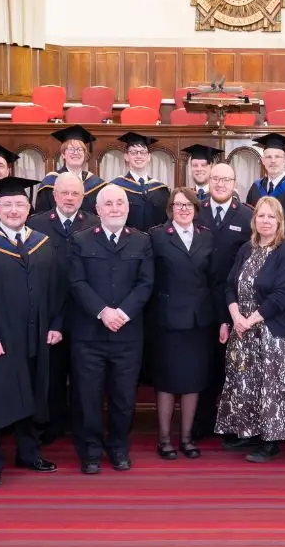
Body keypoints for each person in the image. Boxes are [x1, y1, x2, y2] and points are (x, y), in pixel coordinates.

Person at [0, 176, 64, 488]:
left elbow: (57, 290)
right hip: (0, 338)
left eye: (20, 204)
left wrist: (56, 324)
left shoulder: (42, 244)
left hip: (36, 336)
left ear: (29, 207)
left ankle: (28, 453)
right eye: (7, 204)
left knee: (32, 393)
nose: (14, 209)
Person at [68, 184, 154, 474]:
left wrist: (124, 313)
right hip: (89, 335)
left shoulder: (141, 241)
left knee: (123, 397)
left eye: (120, 203)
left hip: (127, 335)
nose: (115, 208)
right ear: (98, 210)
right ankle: (90, 451)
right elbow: (77, 282)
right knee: (87, 397)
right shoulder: (80, 240)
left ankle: (118, 448)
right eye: (109, 204)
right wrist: (103, 312)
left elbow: (146, 283)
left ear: (128, 208)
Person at [217, 196, 285, 462]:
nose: (265, 221)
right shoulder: (247, 248)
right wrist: (235, 316)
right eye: (260, 216)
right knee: (246, 383)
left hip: (271, 330)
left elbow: (283, 295)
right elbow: (230, 285)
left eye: (270, 216)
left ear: (279, 221)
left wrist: (250, 319)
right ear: (254, 220)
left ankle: (271, 441)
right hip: (243, 329)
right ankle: (250, 432)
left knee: (271, 385)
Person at [28, 172, 99, 445]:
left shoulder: (93, 223)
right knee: (52, 372)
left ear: (83, 197)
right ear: (54, 195)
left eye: (75, 194)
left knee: (84, 373)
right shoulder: (36, 224)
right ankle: (51, 424)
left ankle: (82, 427)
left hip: (85, 311)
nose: (70, 198)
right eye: (64, 193)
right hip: (48, 309)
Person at [148, 188, 216, 460]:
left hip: (199, 321)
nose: (183, 209)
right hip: (167, 321)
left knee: (192, 380)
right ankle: (164, 439)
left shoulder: (206, 236)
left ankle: (186, 438)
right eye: (178, 205)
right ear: (170, 209)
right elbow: (149, 279)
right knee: (166, 381)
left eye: (188, 205)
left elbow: (213, 279)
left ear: (196, 209)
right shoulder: (156, 236)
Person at [193, 162, 254, 439]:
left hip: (235, 302)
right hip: (200, 299)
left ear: (234, 183)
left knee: (234, 365)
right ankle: (203, 421)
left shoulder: (247, 215)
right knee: (203, 361)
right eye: (215, 179)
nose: (219, 184)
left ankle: (231, 423)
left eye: (225, 180)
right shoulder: (195, 211)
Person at [35, 126, 106, 215]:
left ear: (85, 155)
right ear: (63, 154)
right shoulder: (50, 182)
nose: (76, 153)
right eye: (71, 149)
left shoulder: (96, 184)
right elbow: (41, 216)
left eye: (80, 149)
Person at [111, 132, 169, 232]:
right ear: (126, 157)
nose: (139, 156)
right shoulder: (115, 187)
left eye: (142, 152)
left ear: (149, 157)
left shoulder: (161, 189)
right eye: (133, 152)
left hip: (155, 243)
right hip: (128, 243)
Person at [245, 132, 285, 216]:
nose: (273, 161)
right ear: (263, 161)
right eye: (269, 157)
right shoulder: (255, 187)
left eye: (277, 157)